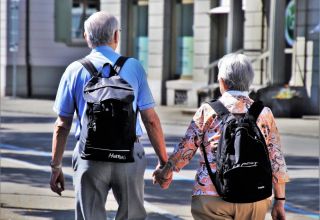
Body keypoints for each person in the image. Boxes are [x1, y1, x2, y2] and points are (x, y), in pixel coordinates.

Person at [49, 11, 169, 220]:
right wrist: (163, 161)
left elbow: (62, 125)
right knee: (132, 215)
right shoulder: (134, 67)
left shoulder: (73, 70)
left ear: (86, 37)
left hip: (90, 157)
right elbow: (150, 119)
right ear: (116, 36)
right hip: (129, 154)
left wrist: (56, 166)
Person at [153, 53, 289, 220]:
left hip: (211, 196)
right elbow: (276, 160)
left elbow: (185, 149)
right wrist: (279, 201)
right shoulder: (264, 113)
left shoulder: (207, 111)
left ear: (223, 81)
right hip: (255, 198)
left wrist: (165, 172)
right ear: (249, 81)